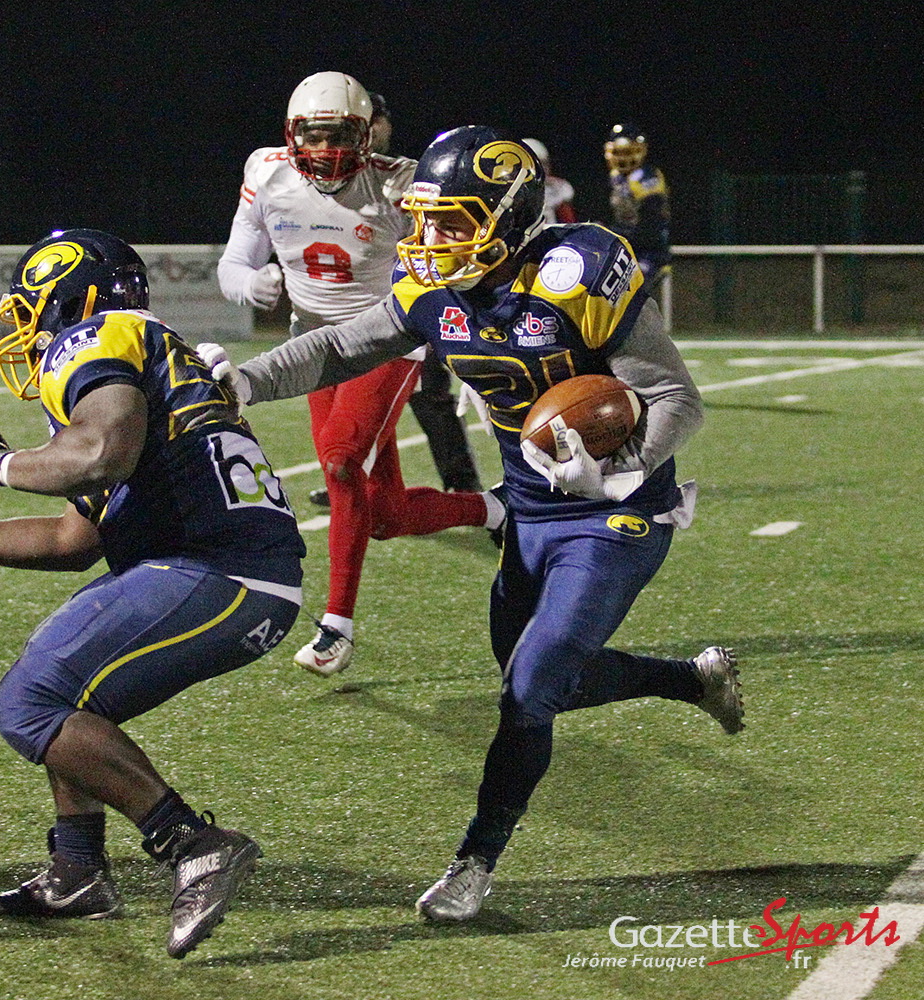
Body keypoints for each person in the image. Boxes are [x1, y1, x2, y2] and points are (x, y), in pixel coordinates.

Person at [198, 126, 744, 923]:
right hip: (530, 510)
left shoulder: (576, 274)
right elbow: (342, 347)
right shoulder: (432, 289)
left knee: (532, 683)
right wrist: (243, 382)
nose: (429, 239)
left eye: (451, 221)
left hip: (618, 511)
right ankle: (690, 680)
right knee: (545, 678)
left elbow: (674, 398)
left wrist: (617, 469)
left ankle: (474, 861)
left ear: (510, 216)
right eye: (423, 219)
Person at [0, 229, 304, 959]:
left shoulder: (104, 335)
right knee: (56, 678)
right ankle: (77, 870)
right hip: (224, 568)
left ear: (74, 298)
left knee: (29, 703)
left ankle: (192, 844)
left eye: (31, 311)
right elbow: (74, 540)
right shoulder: (146, 366)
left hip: (219, 568)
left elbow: (98, 454)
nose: (26, 332)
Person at [217, 72, 500, 678]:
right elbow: (234, 260)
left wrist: (472, 351)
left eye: (340, 135)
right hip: (313, 347)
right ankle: (492, 509)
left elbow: (455, 266)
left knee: (342, 461)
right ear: (292, 134)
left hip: (385, 341)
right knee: (386, 515)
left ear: (367, 133)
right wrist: (248, 283)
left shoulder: (401, 184)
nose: (325, 150)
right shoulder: (266, 172)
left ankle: (336, 627)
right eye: (314, 136)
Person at [374, 92, 485, 496]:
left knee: (430, 396)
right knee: (367, 403)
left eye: (377, 118)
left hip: (419, 300)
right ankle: (360, 481)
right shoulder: (324, 186)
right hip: (361, 309)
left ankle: (463, 484)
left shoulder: (407, 176)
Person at [604, 123, 671, 284]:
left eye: (627, 152)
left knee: (631, 291)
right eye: (618, 152)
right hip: (628, 248)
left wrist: (615, 233)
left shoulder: (647, 178)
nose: (622, 158)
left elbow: (650, 226)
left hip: (649, 252)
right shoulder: (616, 177)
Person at [523, 137, 577, 226]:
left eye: (544, 163)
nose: (542, 169)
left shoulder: (557, 187)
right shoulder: (511, 190)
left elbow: (569, 224)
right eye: (536, 165)